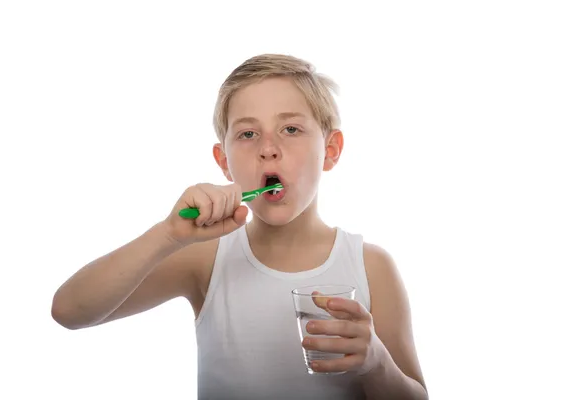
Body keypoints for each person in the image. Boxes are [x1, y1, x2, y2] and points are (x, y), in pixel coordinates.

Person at [51, 53, 428, 399]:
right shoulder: (206, 259)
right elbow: (68, 311)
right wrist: (167, 235)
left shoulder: (372, 267)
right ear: (224, 161)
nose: (268, 148)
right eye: (248, 134)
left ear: (330, 150)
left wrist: (375, 361)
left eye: (291, 130)